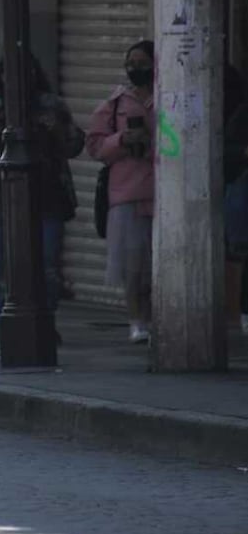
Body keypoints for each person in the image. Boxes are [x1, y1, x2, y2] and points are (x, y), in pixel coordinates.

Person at [0, 57, 83, 339]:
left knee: (47, 265)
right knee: (0, 268)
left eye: (26, 73)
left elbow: (74, 144)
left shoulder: (50, 105)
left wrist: (56, 130)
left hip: (46, 197)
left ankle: (44, 321)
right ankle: (5, 324)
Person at [85, 40, 156, 344]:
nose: (135, 69)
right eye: (130, 64)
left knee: (156, 267)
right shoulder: (115, 104)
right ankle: (137, 321)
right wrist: (122, 140)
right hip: (127, 194)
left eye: (142, 63)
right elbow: (95, 146)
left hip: (162, 193)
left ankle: (156, 318)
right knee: (133, 266)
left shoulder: (169, 97)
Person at [221, 66, 248, 332]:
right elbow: (229, 150)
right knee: (239, 252)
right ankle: (239, 312)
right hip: (241, 188)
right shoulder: (242, 114)